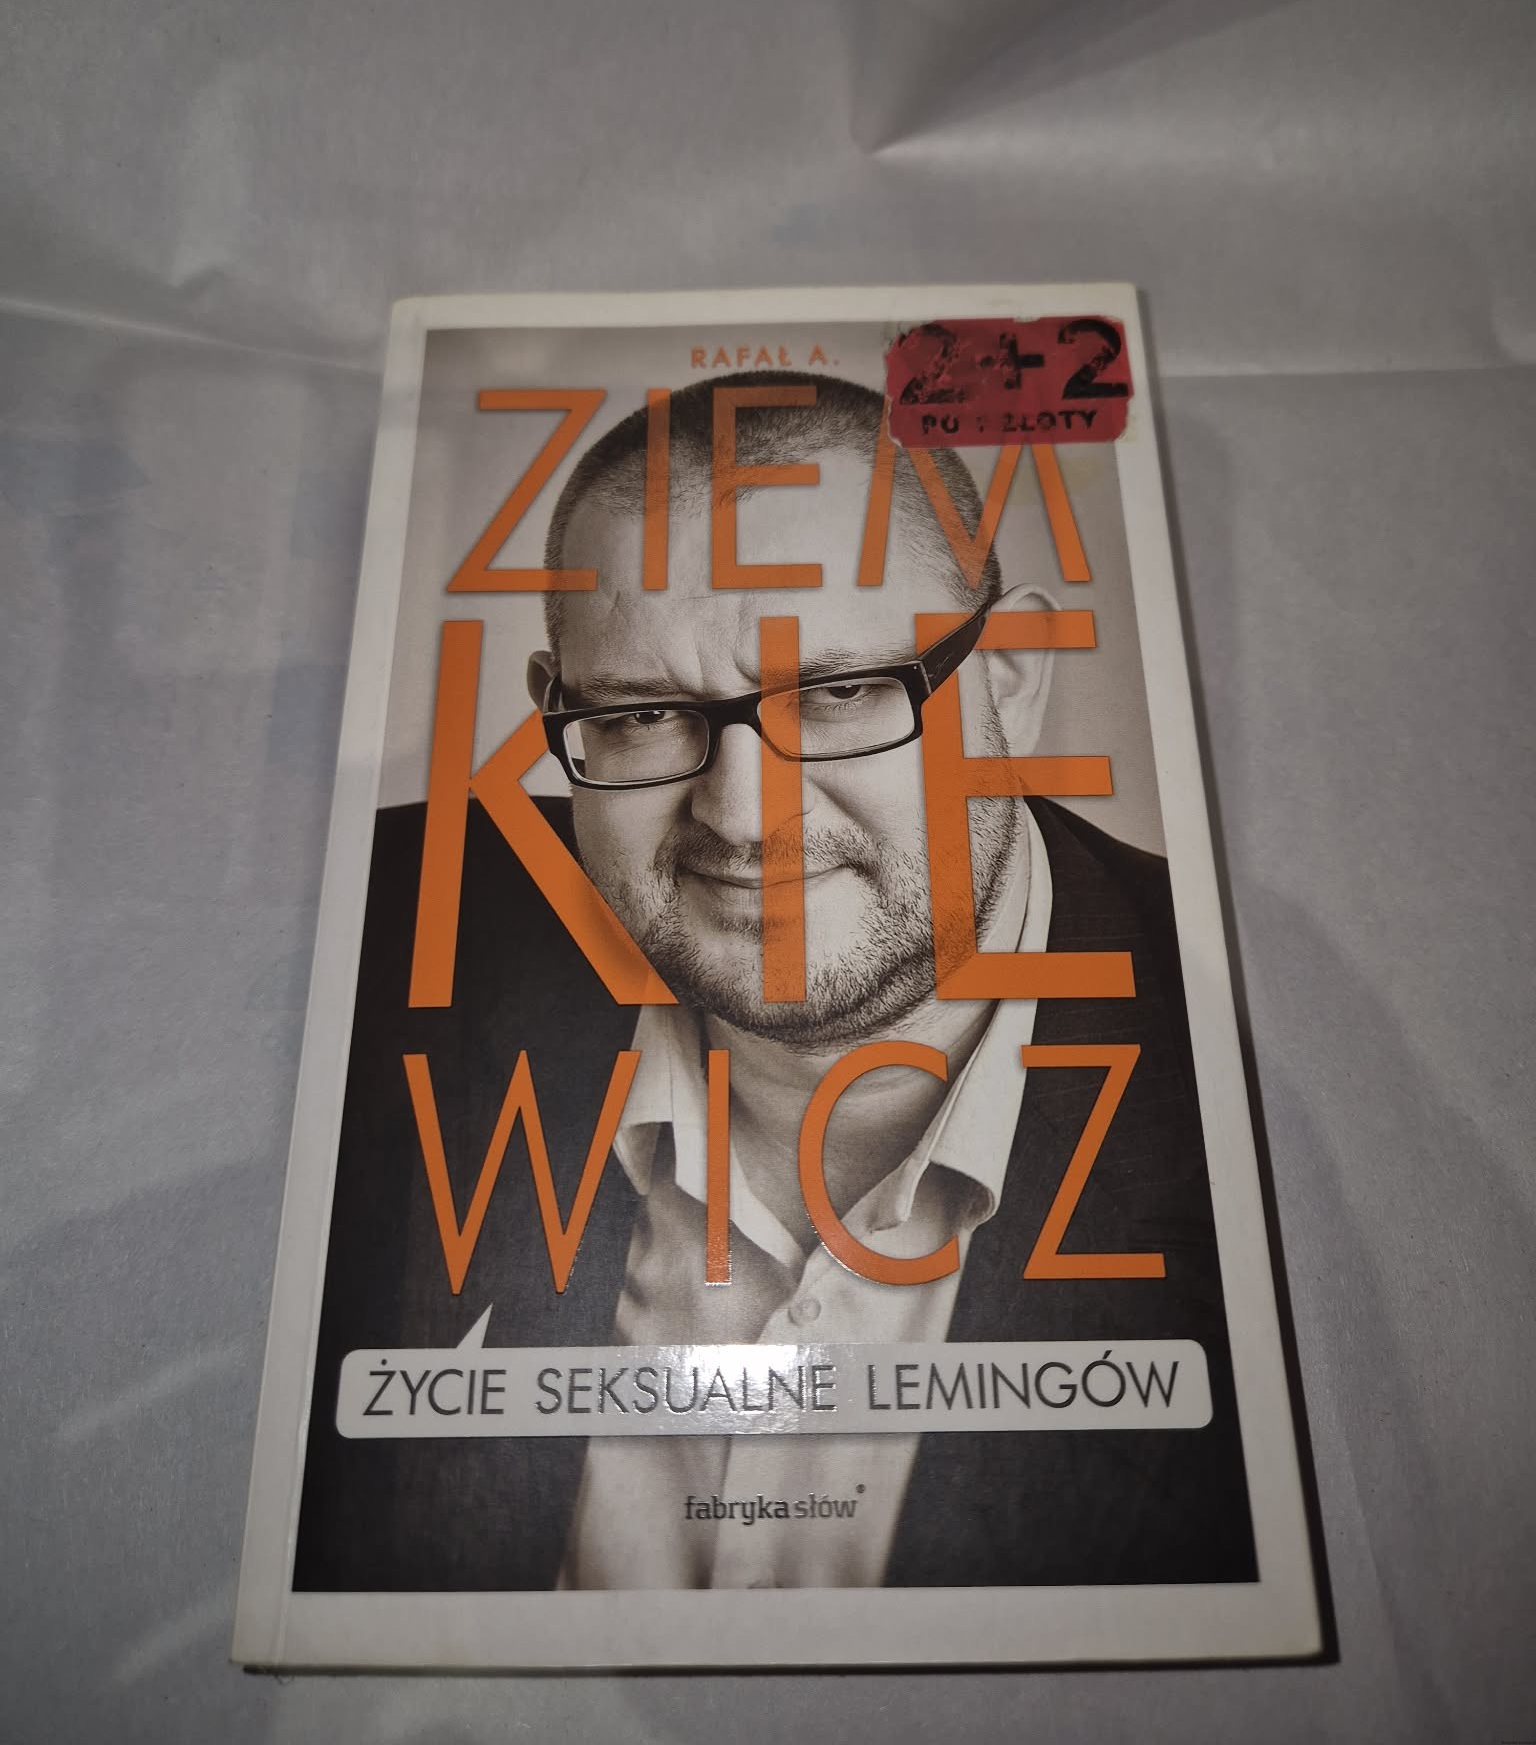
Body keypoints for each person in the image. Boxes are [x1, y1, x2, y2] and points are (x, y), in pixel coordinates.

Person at [295, 374, 1255, 1594]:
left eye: (842, 692)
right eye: (645, 714)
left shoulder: (1256, 1052)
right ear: (558, 716)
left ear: (1009, 679)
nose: (746, 818)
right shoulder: (371, 934)